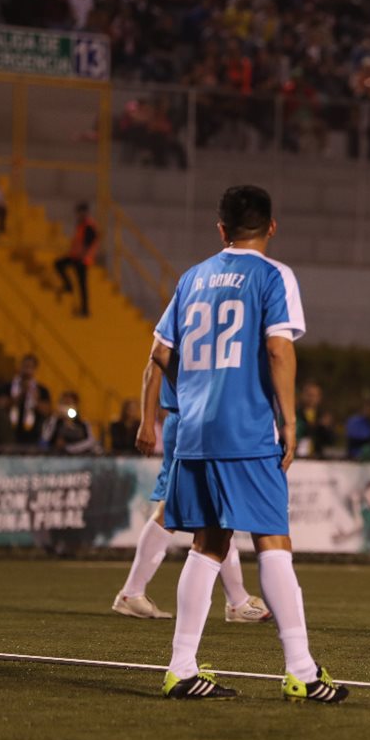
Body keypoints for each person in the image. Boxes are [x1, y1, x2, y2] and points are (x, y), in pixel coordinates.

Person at [150, 184, 346, 701]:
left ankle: (181, 668)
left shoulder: (192, 277)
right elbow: (279, 351)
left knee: (207, 544)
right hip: (247, 430)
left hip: (194, 431)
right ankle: (302, 671)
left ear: (221, 230)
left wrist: (191, 396)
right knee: (272, 542)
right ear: (272, 226)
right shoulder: (273, 274)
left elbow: (160, 351)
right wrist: (290, 420)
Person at [114, 358, 271, 625]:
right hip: (191, 421)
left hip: (197, 420)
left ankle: (236, 599)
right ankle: (132, 592)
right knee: (179, 507)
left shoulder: (196, 319)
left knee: (215, 510)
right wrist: (147, 422)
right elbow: (153, 366)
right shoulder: (187, 317)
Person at [54, 202, 99, 318]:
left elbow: (88, 244)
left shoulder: (89, 226)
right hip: (76, 257)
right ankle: (68, 286)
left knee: (82, 285)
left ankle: (85, 310)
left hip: (82, 260)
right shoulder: (82, 225)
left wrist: (82, 257)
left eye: (79, 212)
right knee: (59, 264)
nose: (78, 215)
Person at [6, 354, 49, 447]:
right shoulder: (9, 386)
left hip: (32, 435)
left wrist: (35, 398)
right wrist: (21, 393)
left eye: (30, 367)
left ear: (35, 370)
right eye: (25, 366)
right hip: (9, 432)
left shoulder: (41, 390)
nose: (27, 370)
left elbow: (46, 411)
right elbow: (3, 406)